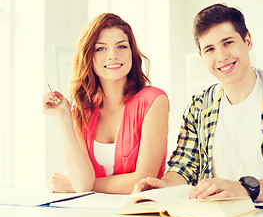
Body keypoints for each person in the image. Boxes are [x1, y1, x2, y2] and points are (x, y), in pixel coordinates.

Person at [133, 3, 263, 202]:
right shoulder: (198, 108)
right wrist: (163, 186)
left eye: (228, 42)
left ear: (248, 41)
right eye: (210, 49)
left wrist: (245, 189)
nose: (222, 56)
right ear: (202, 57)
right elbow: (184, 169)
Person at [43, 13, 169, 194]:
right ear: (88, 56)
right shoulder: (81, 110)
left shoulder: (154, 101)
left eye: (121, 46)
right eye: (101, 48)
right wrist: (64, 117)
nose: (113, 55)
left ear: (131, 52)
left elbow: (143, 181)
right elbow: (81, 183)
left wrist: (77, 185)